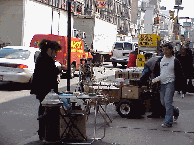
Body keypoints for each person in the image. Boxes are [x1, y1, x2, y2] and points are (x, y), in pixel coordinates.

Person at [30, 39, 64, 140]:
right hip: (44, 90)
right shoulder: (44, 59)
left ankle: (44, 132)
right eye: (55, 51)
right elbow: (47, 74)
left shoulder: (44, 57)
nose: (55, 54)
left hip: (45, 90)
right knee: (45, 111)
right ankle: (45, 133)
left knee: (45, 110)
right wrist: (58, 69)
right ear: (49, 49)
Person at [152, 43, 184, 128]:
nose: (165, 51)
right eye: (163, 50)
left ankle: (168, 122)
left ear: (171, 50)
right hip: (162, 83)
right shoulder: (161, 60)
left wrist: (181, 87)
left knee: (167, 102)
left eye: (166, 49)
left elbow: (180, 74)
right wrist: (155, 80)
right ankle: (175, 111)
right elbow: (157, 71)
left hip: (171, 83)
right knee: (163, 102)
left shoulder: (175, 61)